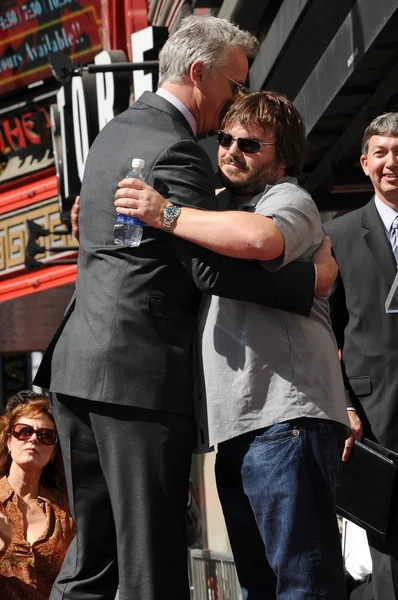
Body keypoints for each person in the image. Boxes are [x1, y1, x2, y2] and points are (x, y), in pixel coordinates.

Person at [34, 16, 336, 600]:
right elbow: (209, 267)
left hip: (77, 370)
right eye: (234, 85)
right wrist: (314, 281)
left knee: (91, 563)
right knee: (152, 565)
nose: (233, 105)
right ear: (200, 73)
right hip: (136, 380)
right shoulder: (175, 147)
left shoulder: (115, 132)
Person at [114, 90, 350, 599]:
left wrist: (166, 213)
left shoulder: (289, 198)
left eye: (249, 144)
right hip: (239, 429)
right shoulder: (215, 208)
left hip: (287, 421)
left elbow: (260, 239)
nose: (230, 151)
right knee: (262, 587)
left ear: (282, 158)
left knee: (304, 583)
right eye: (225, 139)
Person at [323, 112, 398, 600]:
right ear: (365, 162)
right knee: (389, 554)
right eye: (383, 152)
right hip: (376, 417)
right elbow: (322, 328)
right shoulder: (340, 235)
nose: (393, 162)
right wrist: (344, 403)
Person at [0, 391, 75, 600]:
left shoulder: (69, 509)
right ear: (8, 441)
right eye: (24, 431)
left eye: (46, 436)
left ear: (53, 454)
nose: (33, 439)